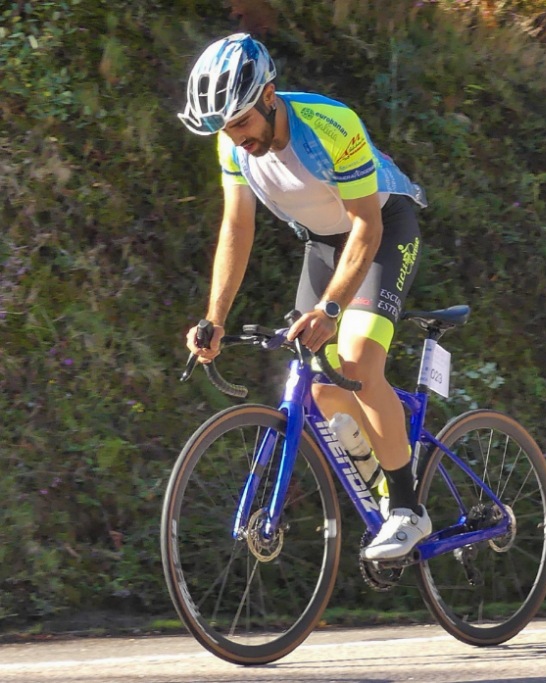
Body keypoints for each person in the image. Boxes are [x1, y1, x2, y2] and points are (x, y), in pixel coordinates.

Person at [178, 33, 430, 562]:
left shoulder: (330, 124)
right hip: (324, 242)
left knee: (357, 362)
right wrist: (214, 318)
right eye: (225, 128)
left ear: (269, 95)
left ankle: (409, 509)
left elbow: (366, 227)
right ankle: (381, 481)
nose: (236, 136)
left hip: (382, 228)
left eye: (241, 121)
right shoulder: (232, 144)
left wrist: (331, 309)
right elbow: (237, 227)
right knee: (316, 382)